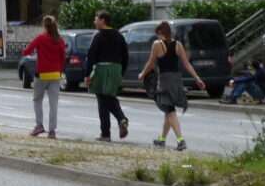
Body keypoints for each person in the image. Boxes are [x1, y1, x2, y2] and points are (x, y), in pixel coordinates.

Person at [139, 21, 207, 151]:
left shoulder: (157, 45)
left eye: (157, 34)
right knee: (168, 110)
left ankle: (180, 140)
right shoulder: (178, 45)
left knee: (169, 110)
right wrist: (197, 78)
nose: (157, 37)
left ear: (160, 32)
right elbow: (187, 64)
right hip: (176, 80)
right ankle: (162, 139)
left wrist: (142, 74)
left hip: (165, 80)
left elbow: (151, 63)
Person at [84, 10, 130, 142]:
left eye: (96, 19)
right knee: (109, 97)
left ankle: (109, 130)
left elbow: (91, 56)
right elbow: (126, 55)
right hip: (116, 68)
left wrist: (87, 75)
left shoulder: (98, 36)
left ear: (103, 20)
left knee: (102, 98)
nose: (94, 21)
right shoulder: (119, 36)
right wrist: (121, 72)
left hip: (102, 68)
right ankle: (114, 126)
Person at [24, 15, 67, 139]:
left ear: (44, 26)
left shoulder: (40, 38)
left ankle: (39, 125)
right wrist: (60, 70)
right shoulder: (60, 40)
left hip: (41, 74)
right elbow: (63, 57)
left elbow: (27, 51)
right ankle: (52, 131)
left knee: (37, 100)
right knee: (53, 103)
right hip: (55, 75)